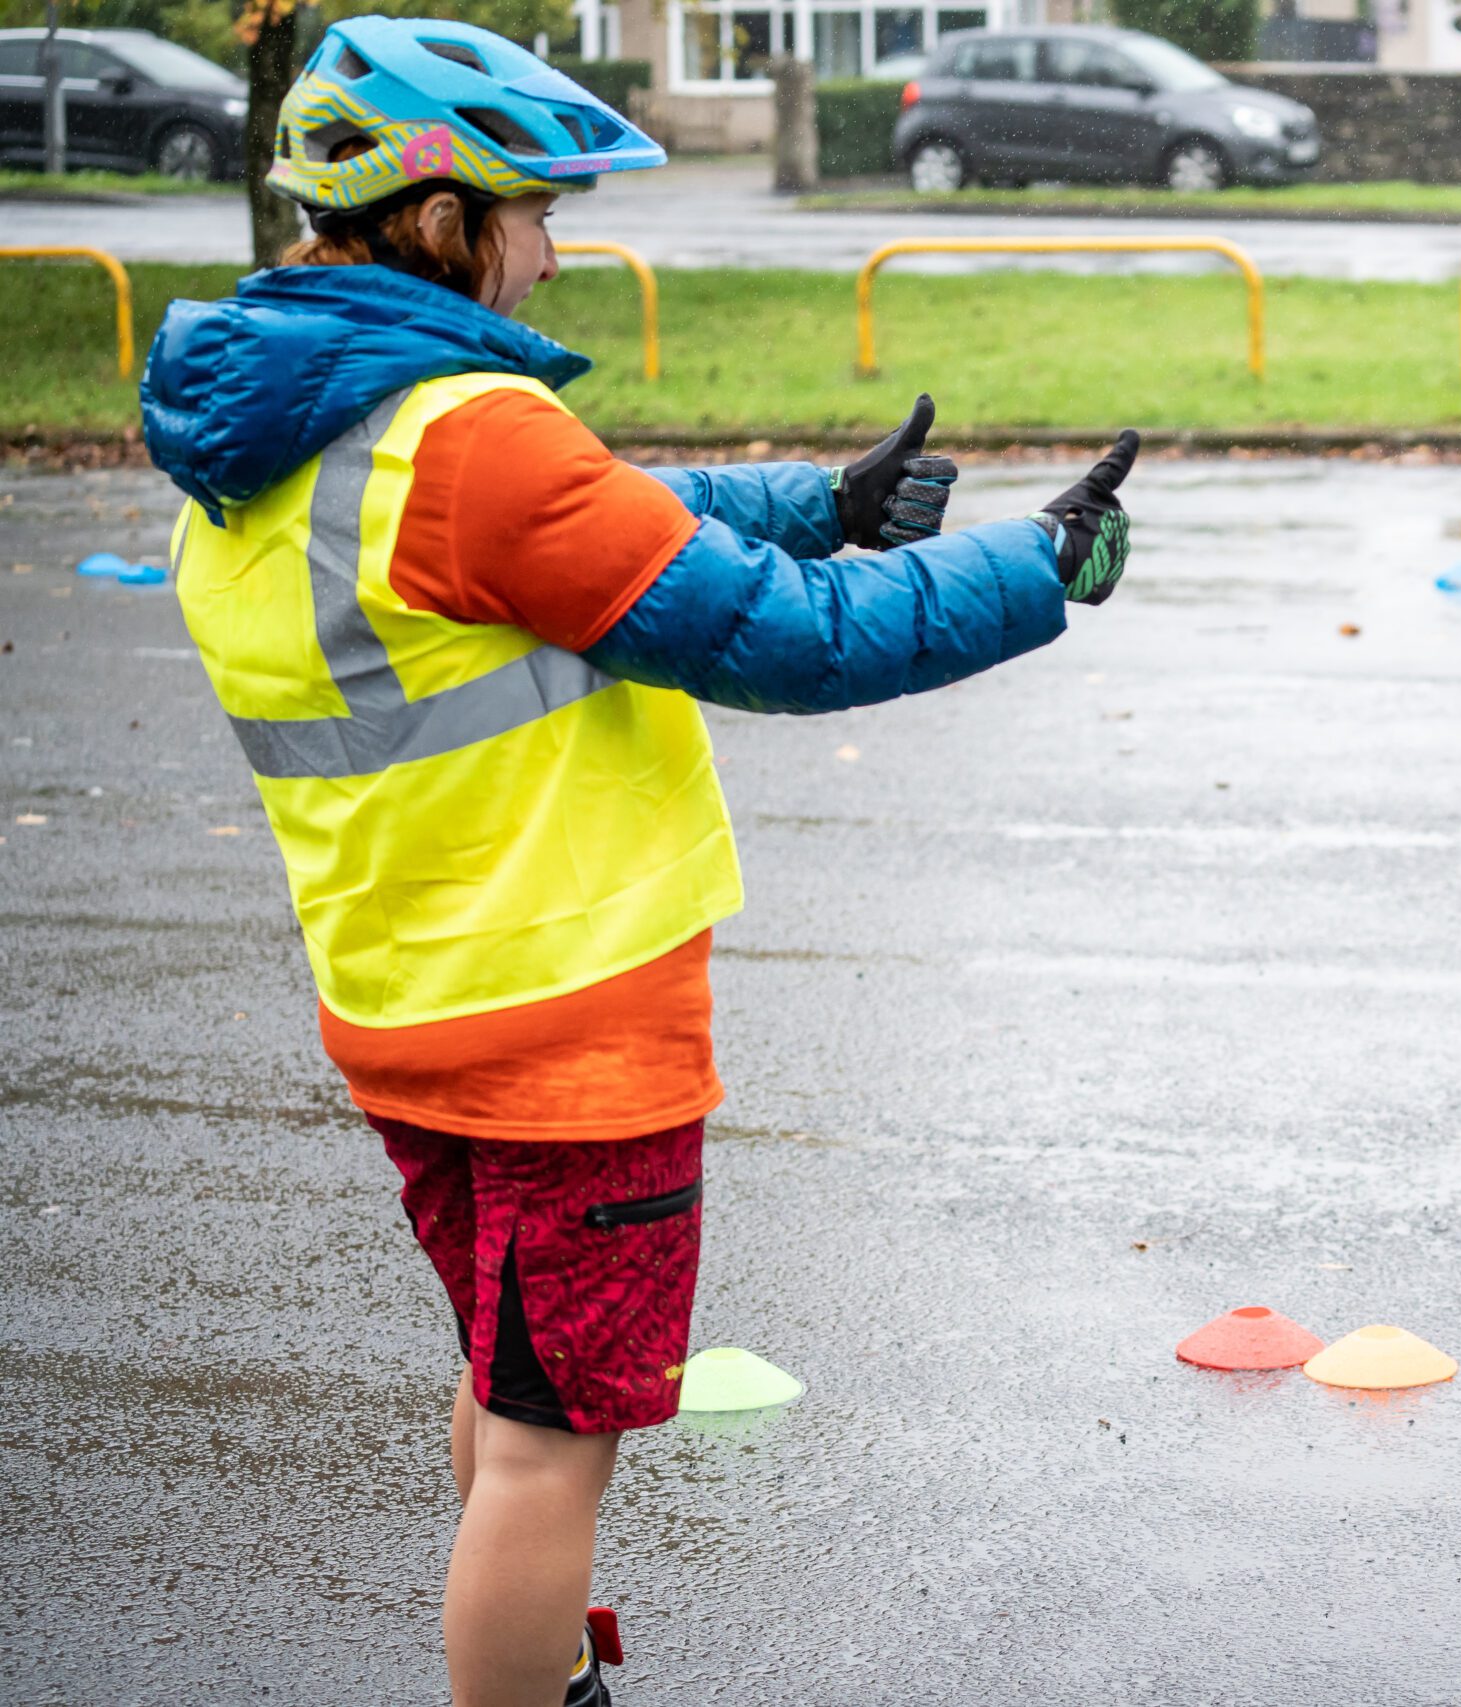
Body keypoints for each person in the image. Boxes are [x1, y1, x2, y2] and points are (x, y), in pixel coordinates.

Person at [137, 18, 1140, 1705]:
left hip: (410, 1000)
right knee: (548, 1452)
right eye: (534, 204)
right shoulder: (467, 433)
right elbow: (780, 639)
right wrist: (1031, 570)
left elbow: (583, 525)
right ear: (440, 212)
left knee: (506, 1380)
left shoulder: (273, 434)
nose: (554, 242)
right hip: (571, 1031)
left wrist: (815, 499)